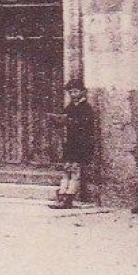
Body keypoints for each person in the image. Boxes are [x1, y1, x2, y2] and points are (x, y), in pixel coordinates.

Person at [51, 78, 97, 208]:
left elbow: (87, 127)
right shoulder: (69, 107)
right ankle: (61, 194)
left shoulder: (86, 108)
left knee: (75, 170)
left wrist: (72, 122)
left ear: (82, 92)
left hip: (81, 143)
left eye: (75, 91)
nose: (72, 94)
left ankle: (69, 197)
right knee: (66, 169)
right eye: (70, 92)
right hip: (70, 142)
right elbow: (64, 121)